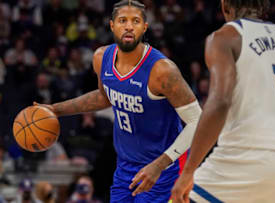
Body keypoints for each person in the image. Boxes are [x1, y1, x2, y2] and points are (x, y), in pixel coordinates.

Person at [171, 0, 275, 202]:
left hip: (244, 160)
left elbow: (220, 102)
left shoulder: (224, 37)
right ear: (264, 6)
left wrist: (189, 170)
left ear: (224, 6)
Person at [35, 0, 201, 202]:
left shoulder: (162, 70)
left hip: (164, 170)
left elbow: (197, 121)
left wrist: (160, 164)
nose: (129, 26)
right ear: (112, 25)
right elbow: (104, 97)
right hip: (125, 168)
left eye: (136, 21)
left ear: (144, 27)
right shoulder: (101, 58)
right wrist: (55, 109)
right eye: (123, 20)